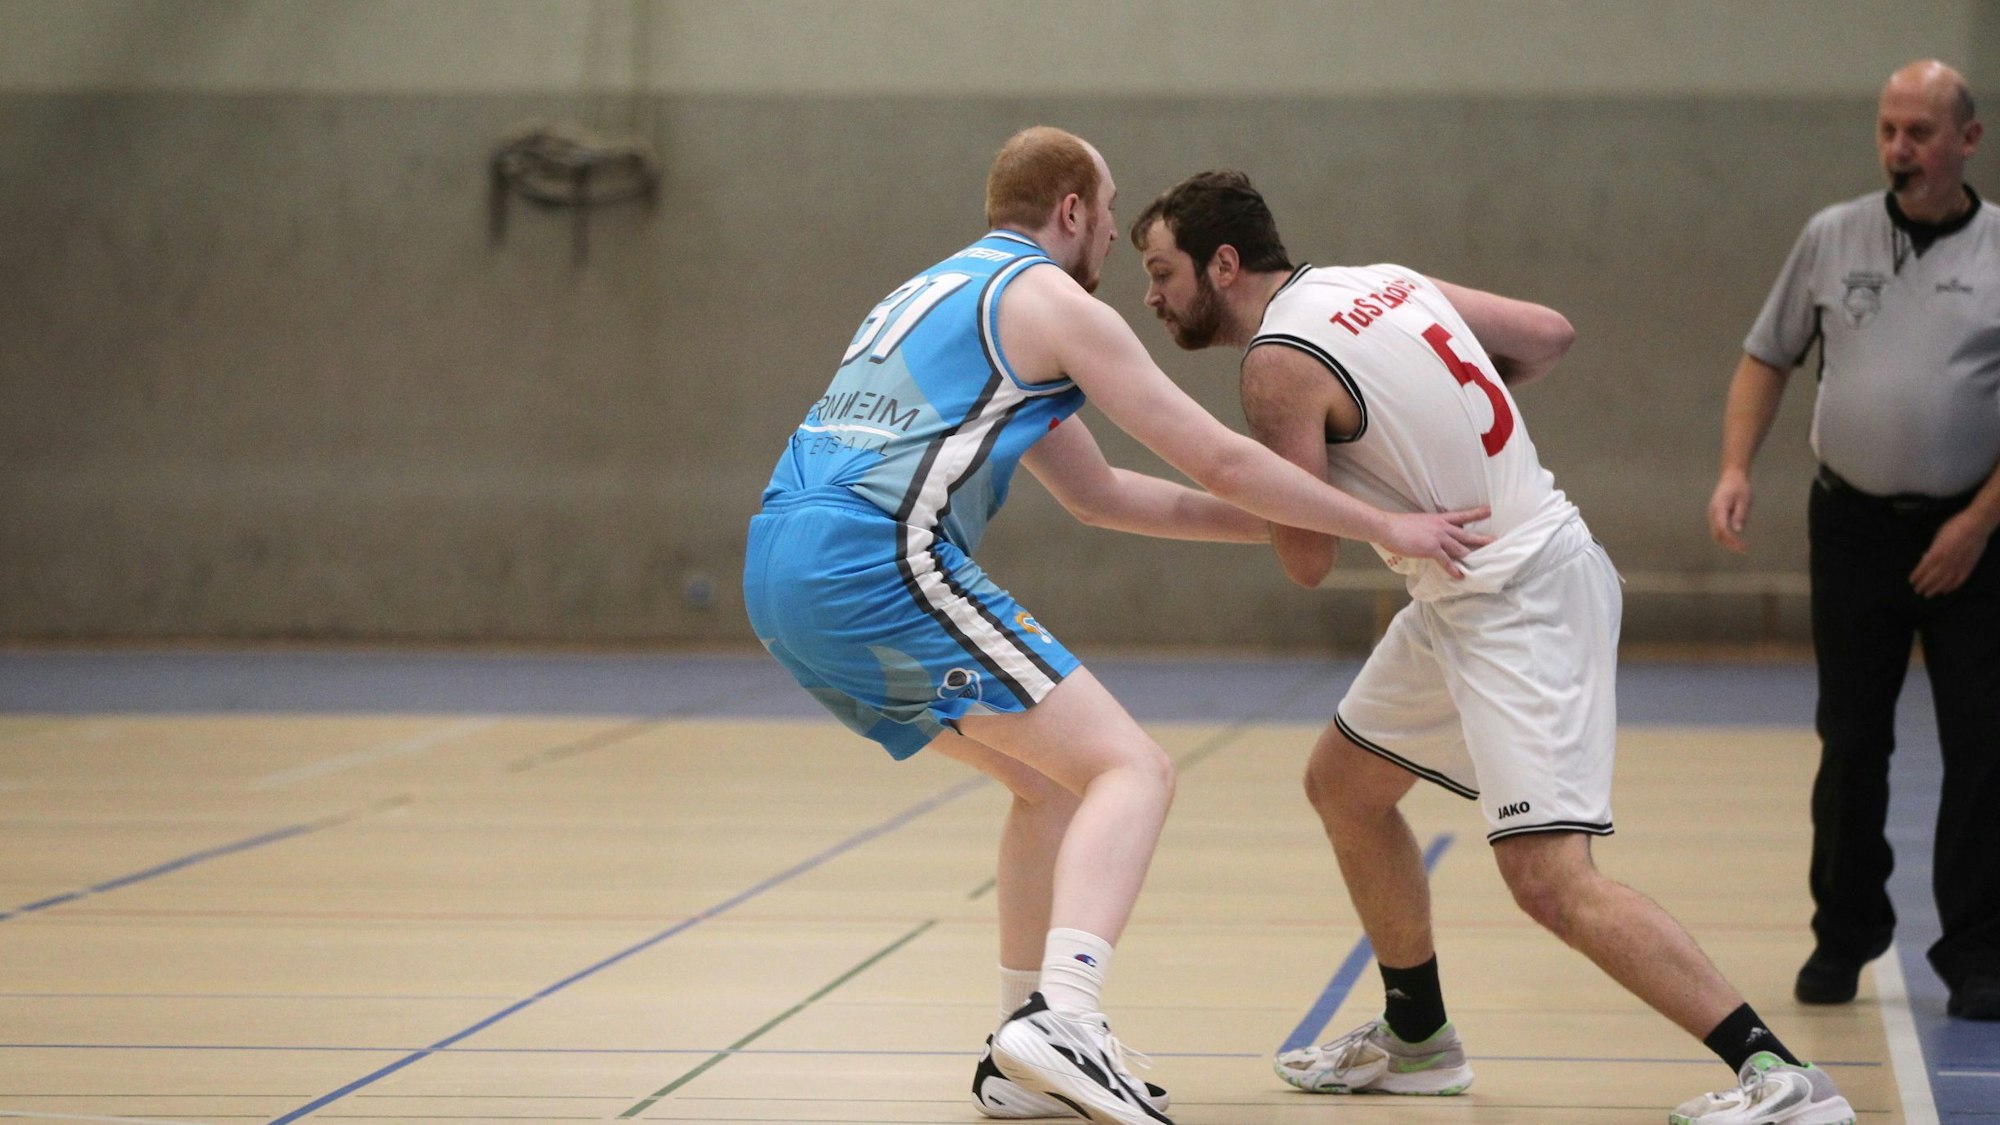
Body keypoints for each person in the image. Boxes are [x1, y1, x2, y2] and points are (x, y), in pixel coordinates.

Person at [741, 126, 1491, 1125]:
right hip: (867, 557)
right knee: (1133, 769)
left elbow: (1102, 496)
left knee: (1053, 786)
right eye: (1107, 212)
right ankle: (1066, 1017)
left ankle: (1019, 1050)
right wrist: (1378, 520)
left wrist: (1299, 522)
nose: (1110, 241)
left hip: (778, 567)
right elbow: (1213, 459)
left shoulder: (938, 295)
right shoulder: (1050, 301)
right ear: (1071, 212)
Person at [1131, 170, 1856, 1125]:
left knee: (1551, 883)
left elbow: (1305, 557)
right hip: (1465, 590)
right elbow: (1548, 333)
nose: (1149, 297)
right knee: (1344, 785)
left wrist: (1218, 484)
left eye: (1161, 271)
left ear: (1223, 264)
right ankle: (1418, 1037)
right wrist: (1423, 425)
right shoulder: (1379, 280)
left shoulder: (1275, 364)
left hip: (1519, 600)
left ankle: (1780, 1074)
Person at [1707, 58, 2000, 1022]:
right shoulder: (1833, 237)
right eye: (1887, 130)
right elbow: (1767, 355)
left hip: (1978, 533)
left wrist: (1975, 522)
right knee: (1851, 739)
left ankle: (1978, 951)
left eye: (1919, 132)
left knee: (1983, 746)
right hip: (1854, 527)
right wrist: (1737, 466)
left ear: (1968, 140)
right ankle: (1843, 932)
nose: (1899, 149)